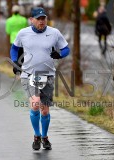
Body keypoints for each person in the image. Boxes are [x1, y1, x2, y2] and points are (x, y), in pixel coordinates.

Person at [10, 7, 70, 150]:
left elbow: (66, 48)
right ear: (32, 20)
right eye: (38, 19)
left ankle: (45, 137)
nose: (41, 21)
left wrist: (60, 54)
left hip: (48, 75)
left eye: (43, 18)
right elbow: (14, 48)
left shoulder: (54, 33)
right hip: (29, 75)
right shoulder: (23, 33)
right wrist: (15, 62)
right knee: (35, 103)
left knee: (45, 111)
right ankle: (37, 136)